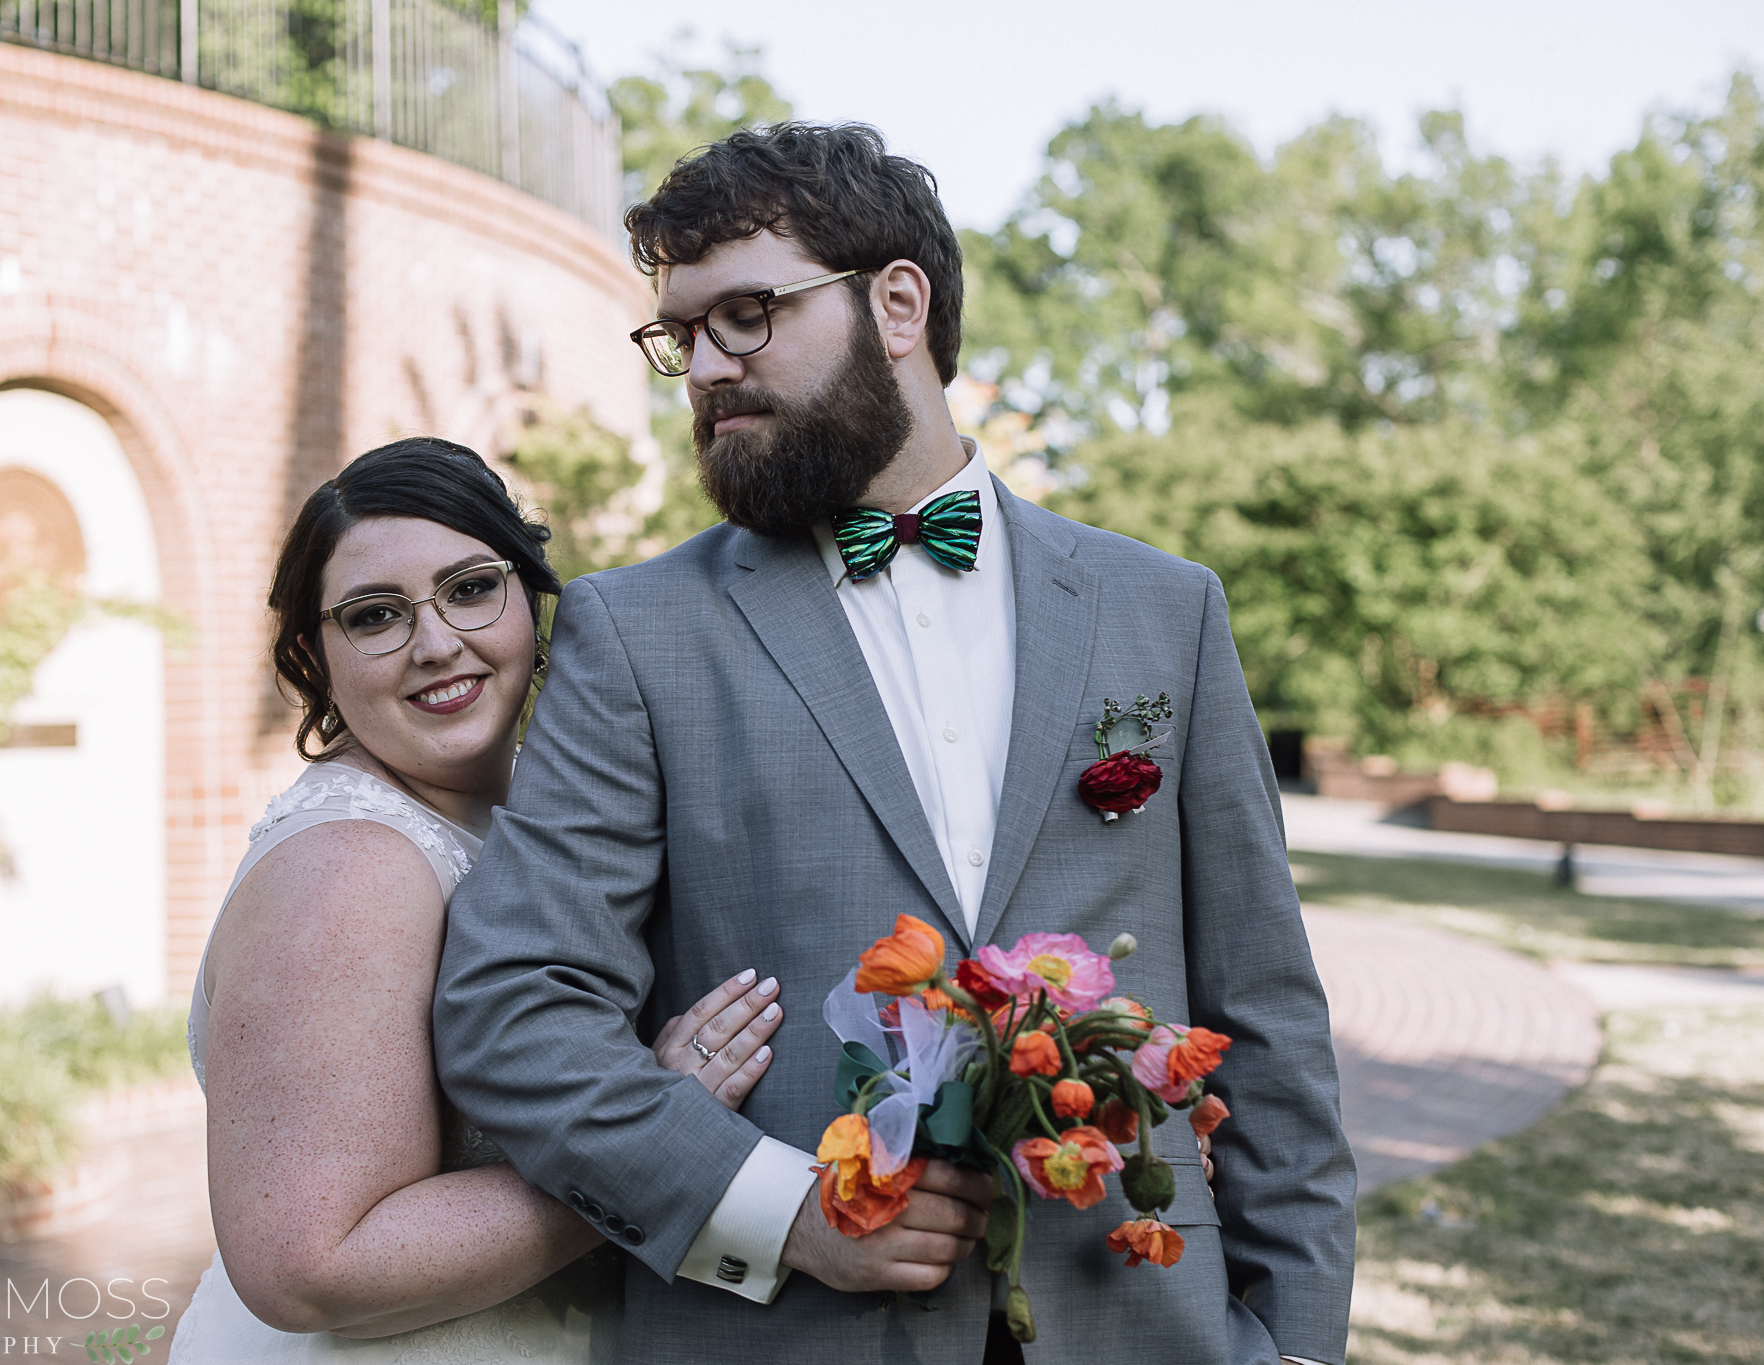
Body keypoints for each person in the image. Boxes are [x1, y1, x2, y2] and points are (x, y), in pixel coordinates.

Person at [433, 125, 1357, 1364]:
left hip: (1141, 1320)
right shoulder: (634, 633)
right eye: (682, 336)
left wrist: (1293, 1347)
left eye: (747, 314)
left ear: (899, 303)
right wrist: (780, 1213)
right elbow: (511, 1008)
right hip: (779, 1332)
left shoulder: (1163, 610)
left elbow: (1266, 1018)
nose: (706, 366)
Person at [171, 438, 787, 1364]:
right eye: (376, 615)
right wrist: (656, 1142)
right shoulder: (350, 867)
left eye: (469, 588)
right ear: (313, 652)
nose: (436, 643)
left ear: (529, 599)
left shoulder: (535, 815)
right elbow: (309, 1264)